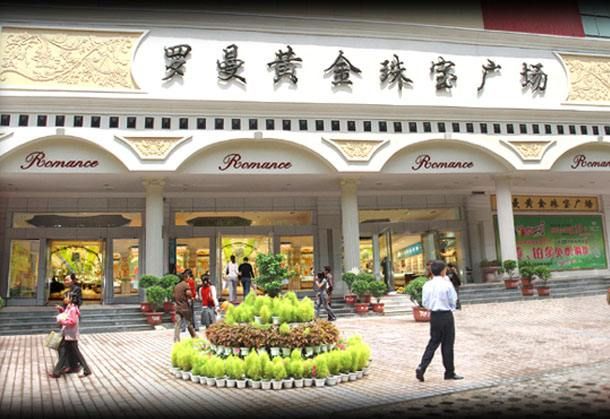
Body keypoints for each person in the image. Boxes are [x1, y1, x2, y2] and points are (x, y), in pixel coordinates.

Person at [415, 260, 463, 382]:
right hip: (446, 315)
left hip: (434, 316)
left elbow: (425, 302)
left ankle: (422, 367)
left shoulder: (427, 285)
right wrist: (450, 307)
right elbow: (453, 299)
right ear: (443, 271)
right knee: (448, 344)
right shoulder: (447, 284)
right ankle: (449, 372)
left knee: (433, 342)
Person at [48, 293, 92, 378]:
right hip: (67, 334)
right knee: (64, 351)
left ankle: (86, 370)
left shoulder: (73, 309)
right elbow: (66, 315)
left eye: (66, 297)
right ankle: (58, 371)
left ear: (71, 299)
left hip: (71, 335)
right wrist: (61, 310)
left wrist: (62, 322)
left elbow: (73, 321)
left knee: (75, 353)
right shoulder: (69, 307)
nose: (64, 298)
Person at [173, 272, 197, 342]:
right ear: (185, 278)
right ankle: (194, 337)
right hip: (185, 307)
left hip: (178, 307)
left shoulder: (176, 286)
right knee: (189, 323)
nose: (189, 278)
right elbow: (189, 293)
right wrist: (191, 297)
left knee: (177, 324)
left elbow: (174, 296)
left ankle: (176, 339)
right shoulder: (185, 285)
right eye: (188, 277)